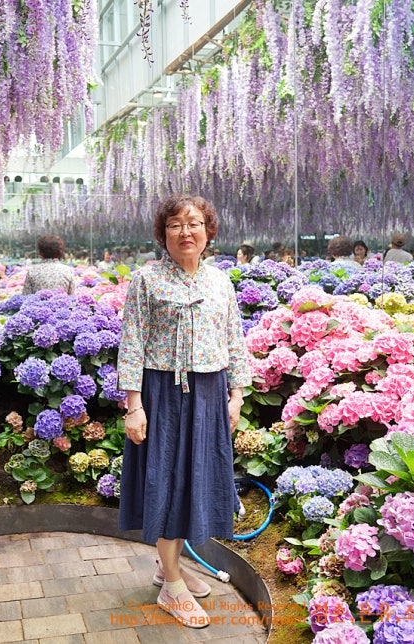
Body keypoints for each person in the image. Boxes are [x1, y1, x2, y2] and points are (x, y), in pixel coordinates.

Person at [117, 194, 251, 629]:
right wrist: (134, 406)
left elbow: (235, 339)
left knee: (196, 481)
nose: (185, 232)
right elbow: (132, 342)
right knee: (168, 482)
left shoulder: (219, 282)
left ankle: (166, 568)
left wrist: (236, 397)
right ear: (163, 234)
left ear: (209, 231)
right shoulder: (147, 279)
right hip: (162, 394)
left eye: (194, 224)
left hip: (209, 391)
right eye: (175, 225)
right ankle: (172, 588)